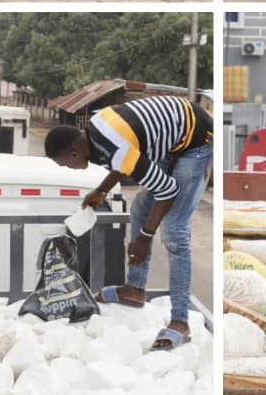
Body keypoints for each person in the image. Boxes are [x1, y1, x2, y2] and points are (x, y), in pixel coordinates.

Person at [44, 96, 213, 350]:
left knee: (173, 231)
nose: (69, 168)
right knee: (140, 206)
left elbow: (168, 190)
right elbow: (125, 161)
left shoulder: (114, 148)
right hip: (171, 139)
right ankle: (135, 289)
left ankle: (180, 321)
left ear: (75, 152)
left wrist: (144, 237)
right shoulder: (93, 133)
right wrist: (102, 190)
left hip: (196, 142)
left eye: (66, 163)